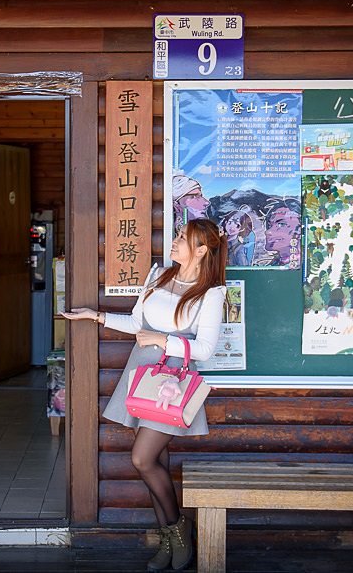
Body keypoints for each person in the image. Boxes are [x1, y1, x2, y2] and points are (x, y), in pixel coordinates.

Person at [62, 218, 227, 572]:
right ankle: (168, 541)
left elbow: (206, 349)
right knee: (156, 461)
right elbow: (138, 324)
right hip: (142, 376)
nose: (175, 241)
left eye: (183, 239)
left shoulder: (211, 292)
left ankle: (178, 530)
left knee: (142, 459)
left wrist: (162, 340)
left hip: (172, 384)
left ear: (201, 250)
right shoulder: (159, 276)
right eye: (177, 236)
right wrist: (96, 316)